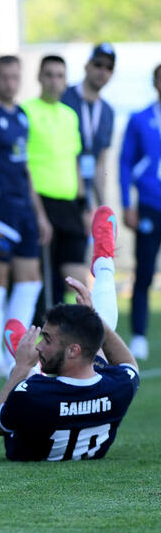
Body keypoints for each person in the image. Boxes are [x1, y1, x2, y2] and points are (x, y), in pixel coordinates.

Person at [0, 207, 139, 461]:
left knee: (34, 369)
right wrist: (94, 319)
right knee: (97, 351)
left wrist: (20, 369)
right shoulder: (118, 387)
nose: (40, 345)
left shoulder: (33, 392)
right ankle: (104, 263)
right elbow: (128, 365)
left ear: (72, 350)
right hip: (87, 382)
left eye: (46, 339)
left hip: (40, 399)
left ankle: (26, 359)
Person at [0, 55, 51, 378]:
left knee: (31, 280)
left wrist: (40, 214)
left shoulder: (22, 117)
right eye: (5, 77)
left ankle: (15, 352)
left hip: (25, 212)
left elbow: (25, 168)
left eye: (16, 77)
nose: (10, 83)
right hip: (0, 210)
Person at [23, 55, 87, 308]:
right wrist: (37, 211)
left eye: (59, 75)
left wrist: (83, 206)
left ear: (66, 80)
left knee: (76, 277)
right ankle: (40, 338)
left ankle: (82, 336)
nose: (54, 81)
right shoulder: (26, 112)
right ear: (39, 77)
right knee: (44, 281)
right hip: (40, 202)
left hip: (69, 205)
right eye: (49, 74)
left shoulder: (70, 116)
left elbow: (75, 162)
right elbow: (24, 164)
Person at [118, 63, 161, 361]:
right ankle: (139, 335)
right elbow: (124, 162)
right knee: (144, 271)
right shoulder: (140, 119)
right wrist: (126, 203)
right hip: (149, 204)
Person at [60, 44, 116, 210]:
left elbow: (100, 162)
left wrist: (103, 207)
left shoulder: (107, 111)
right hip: (62, 192)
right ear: (87, 66)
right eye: (98, 64)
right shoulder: (64, 97)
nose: (102, 71)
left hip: (87, 198)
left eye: (109, 67)